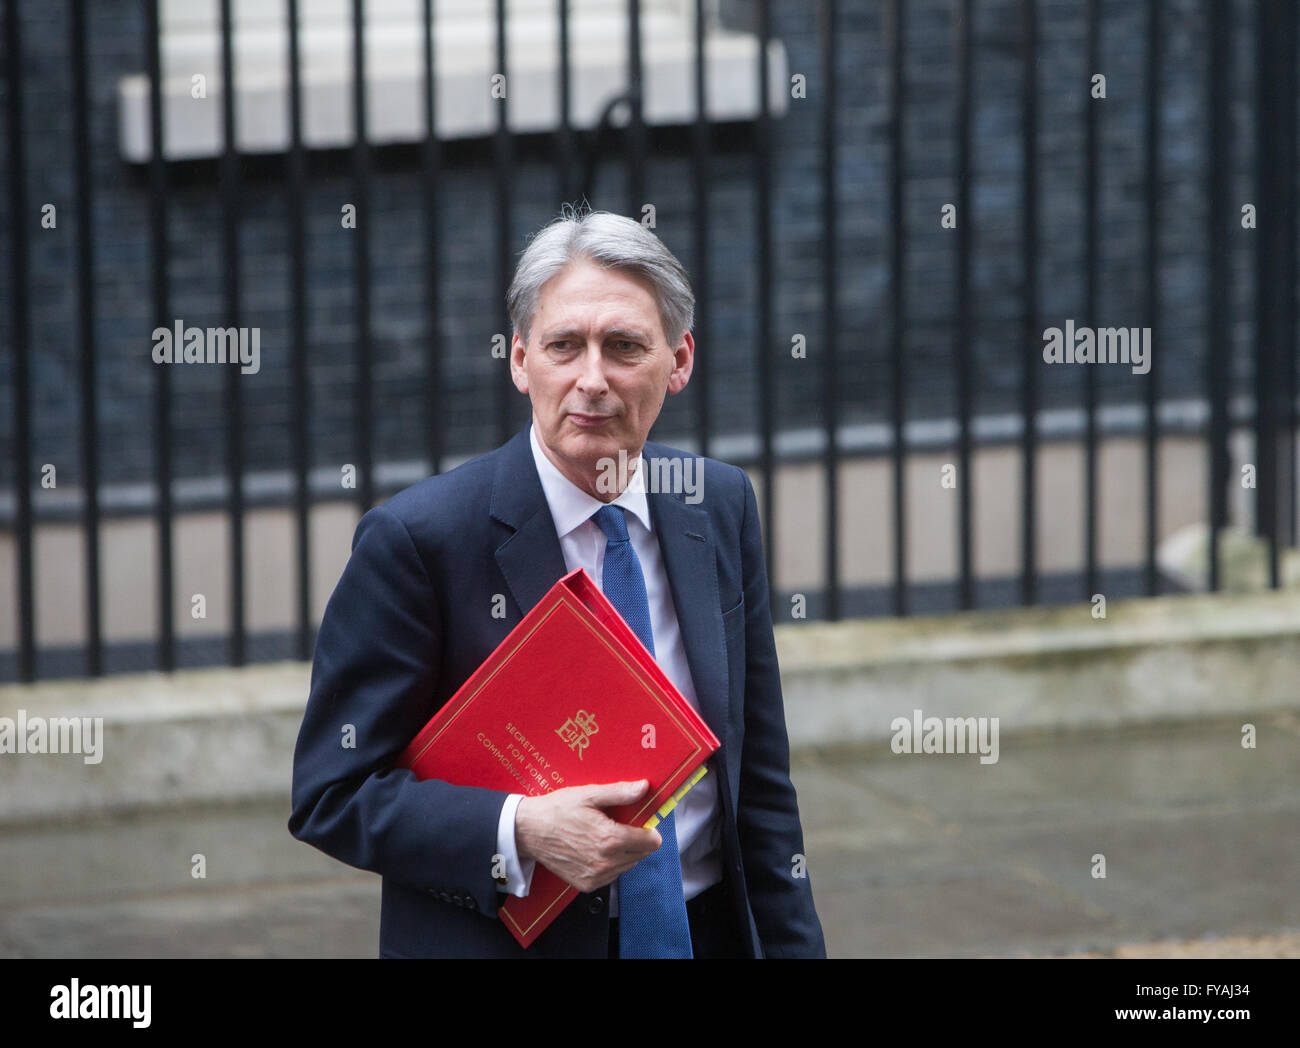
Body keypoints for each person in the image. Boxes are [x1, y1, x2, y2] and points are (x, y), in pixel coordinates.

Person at [289, 208, 825, 958]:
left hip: (704, 933)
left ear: (679, 360)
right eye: (564, 345)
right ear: (519, 360)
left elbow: (761, 786)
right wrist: (521, 831)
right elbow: (332, 793)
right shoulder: (420, 541)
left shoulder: (718, 503)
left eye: (625, 347)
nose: (592, 380)